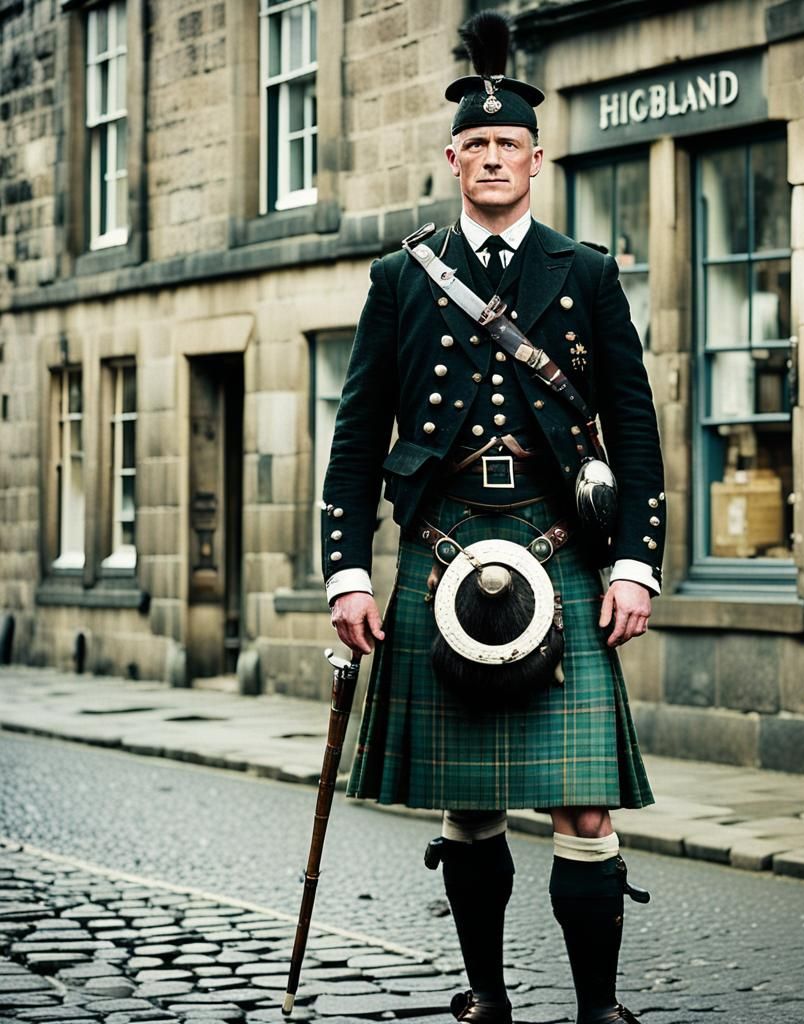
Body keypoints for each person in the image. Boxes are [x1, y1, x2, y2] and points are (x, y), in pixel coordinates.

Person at [321, 12, 665, 1024]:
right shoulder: (401, 279)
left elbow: (634, 434)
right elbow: (354, 439)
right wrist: (347, 573)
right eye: (473, 146)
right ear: (452, 159)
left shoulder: (586, 273)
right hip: (443, 547)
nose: (490, 160)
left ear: (534, 156)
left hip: (559, 551)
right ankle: (488, 990)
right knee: (467, 806)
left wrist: (635, 563)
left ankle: (596, 1007)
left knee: (584, 802)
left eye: (506, 144)